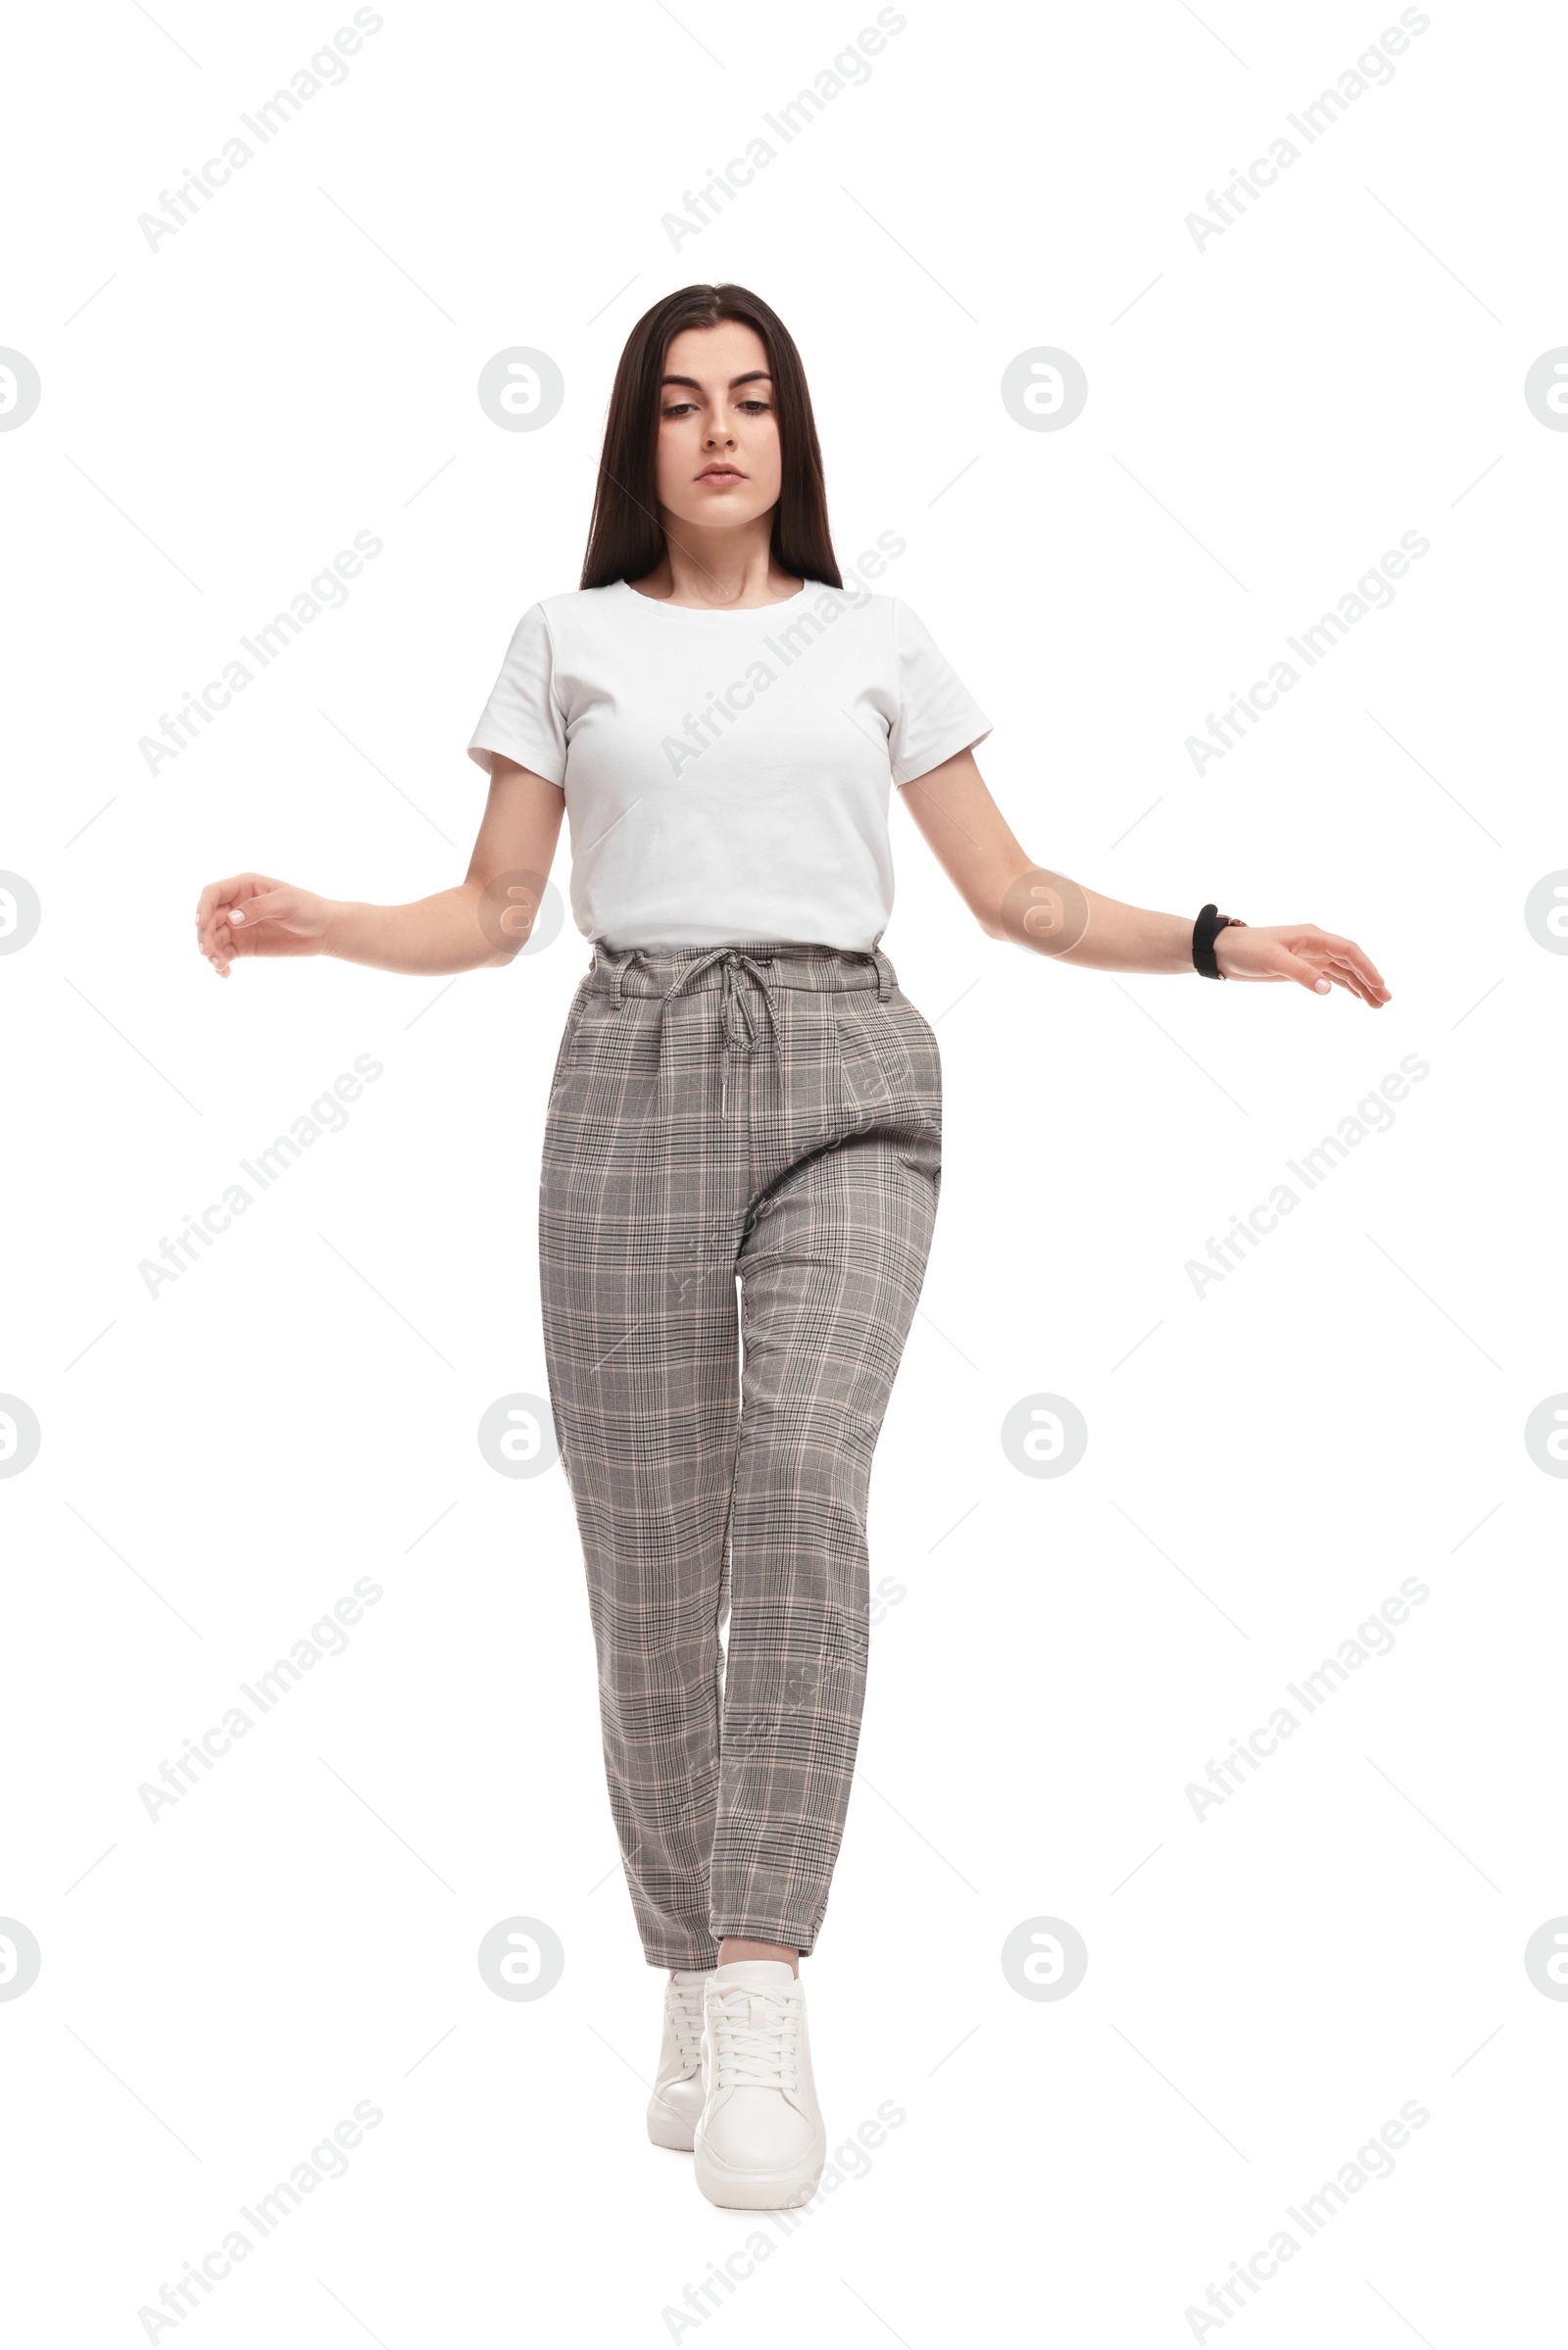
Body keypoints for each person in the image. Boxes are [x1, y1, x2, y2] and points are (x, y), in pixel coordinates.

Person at [194, 281, 1390, 2212]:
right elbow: (499, 907)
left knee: (804, 1480)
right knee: (648, 1555)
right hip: (626, 1074)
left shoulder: (877, 636)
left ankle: (760, 1978)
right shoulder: (562, 637)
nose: (719, 431)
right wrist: (327, 918)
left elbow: (1012, 891)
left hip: (846, 1074)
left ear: (791, 431)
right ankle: (676, 1961)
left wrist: (1211, 935)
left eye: (750, 398)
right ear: (638, 442)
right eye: (680, 404)